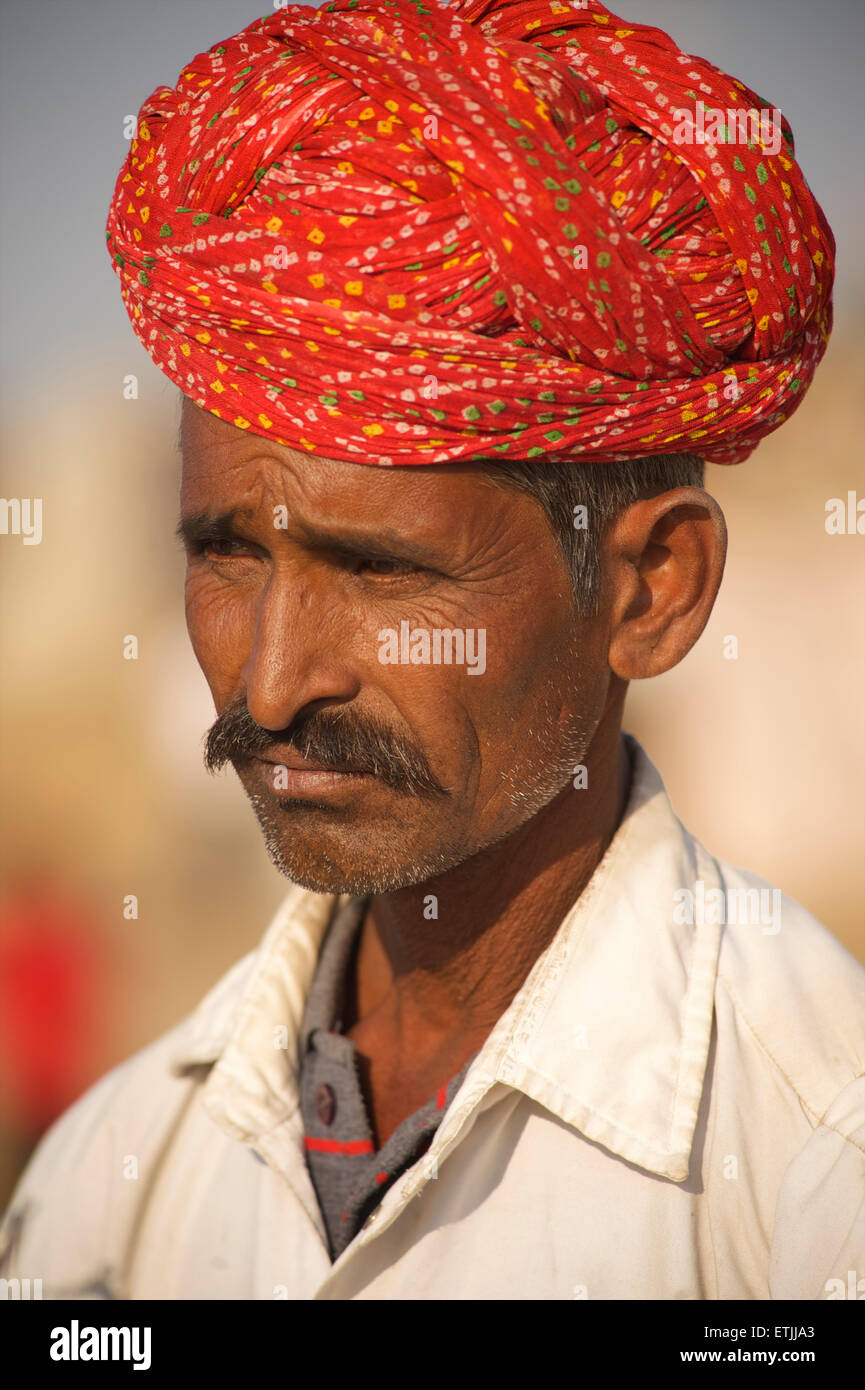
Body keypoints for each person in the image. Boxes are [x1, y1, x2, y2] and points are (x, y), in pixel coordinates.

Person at [1, 0, 861, 1300]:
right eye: (227, 552)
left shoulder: (812, 1172)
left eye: (380, 570)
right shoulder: (116, 1176)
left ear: (650, 588)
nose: (272, 682)